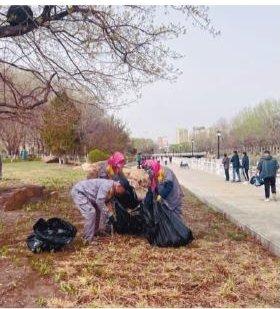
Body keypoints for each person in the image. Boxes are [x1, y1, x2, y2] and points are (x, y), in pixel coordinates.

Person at [71, 178, 126, 243]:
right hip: (80, 192)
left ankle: (94, 232)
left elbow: (107, 203)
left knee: (98, 211)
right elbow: (100, 201)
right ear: (119, 186)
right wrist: (109, 214)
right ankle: (87, 239)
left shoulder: (113, 188)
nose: (122, 193)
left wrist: (111, 215)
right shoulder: (107, 186)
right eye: (123, 190)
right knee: (90, 213)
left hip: (90, 195)